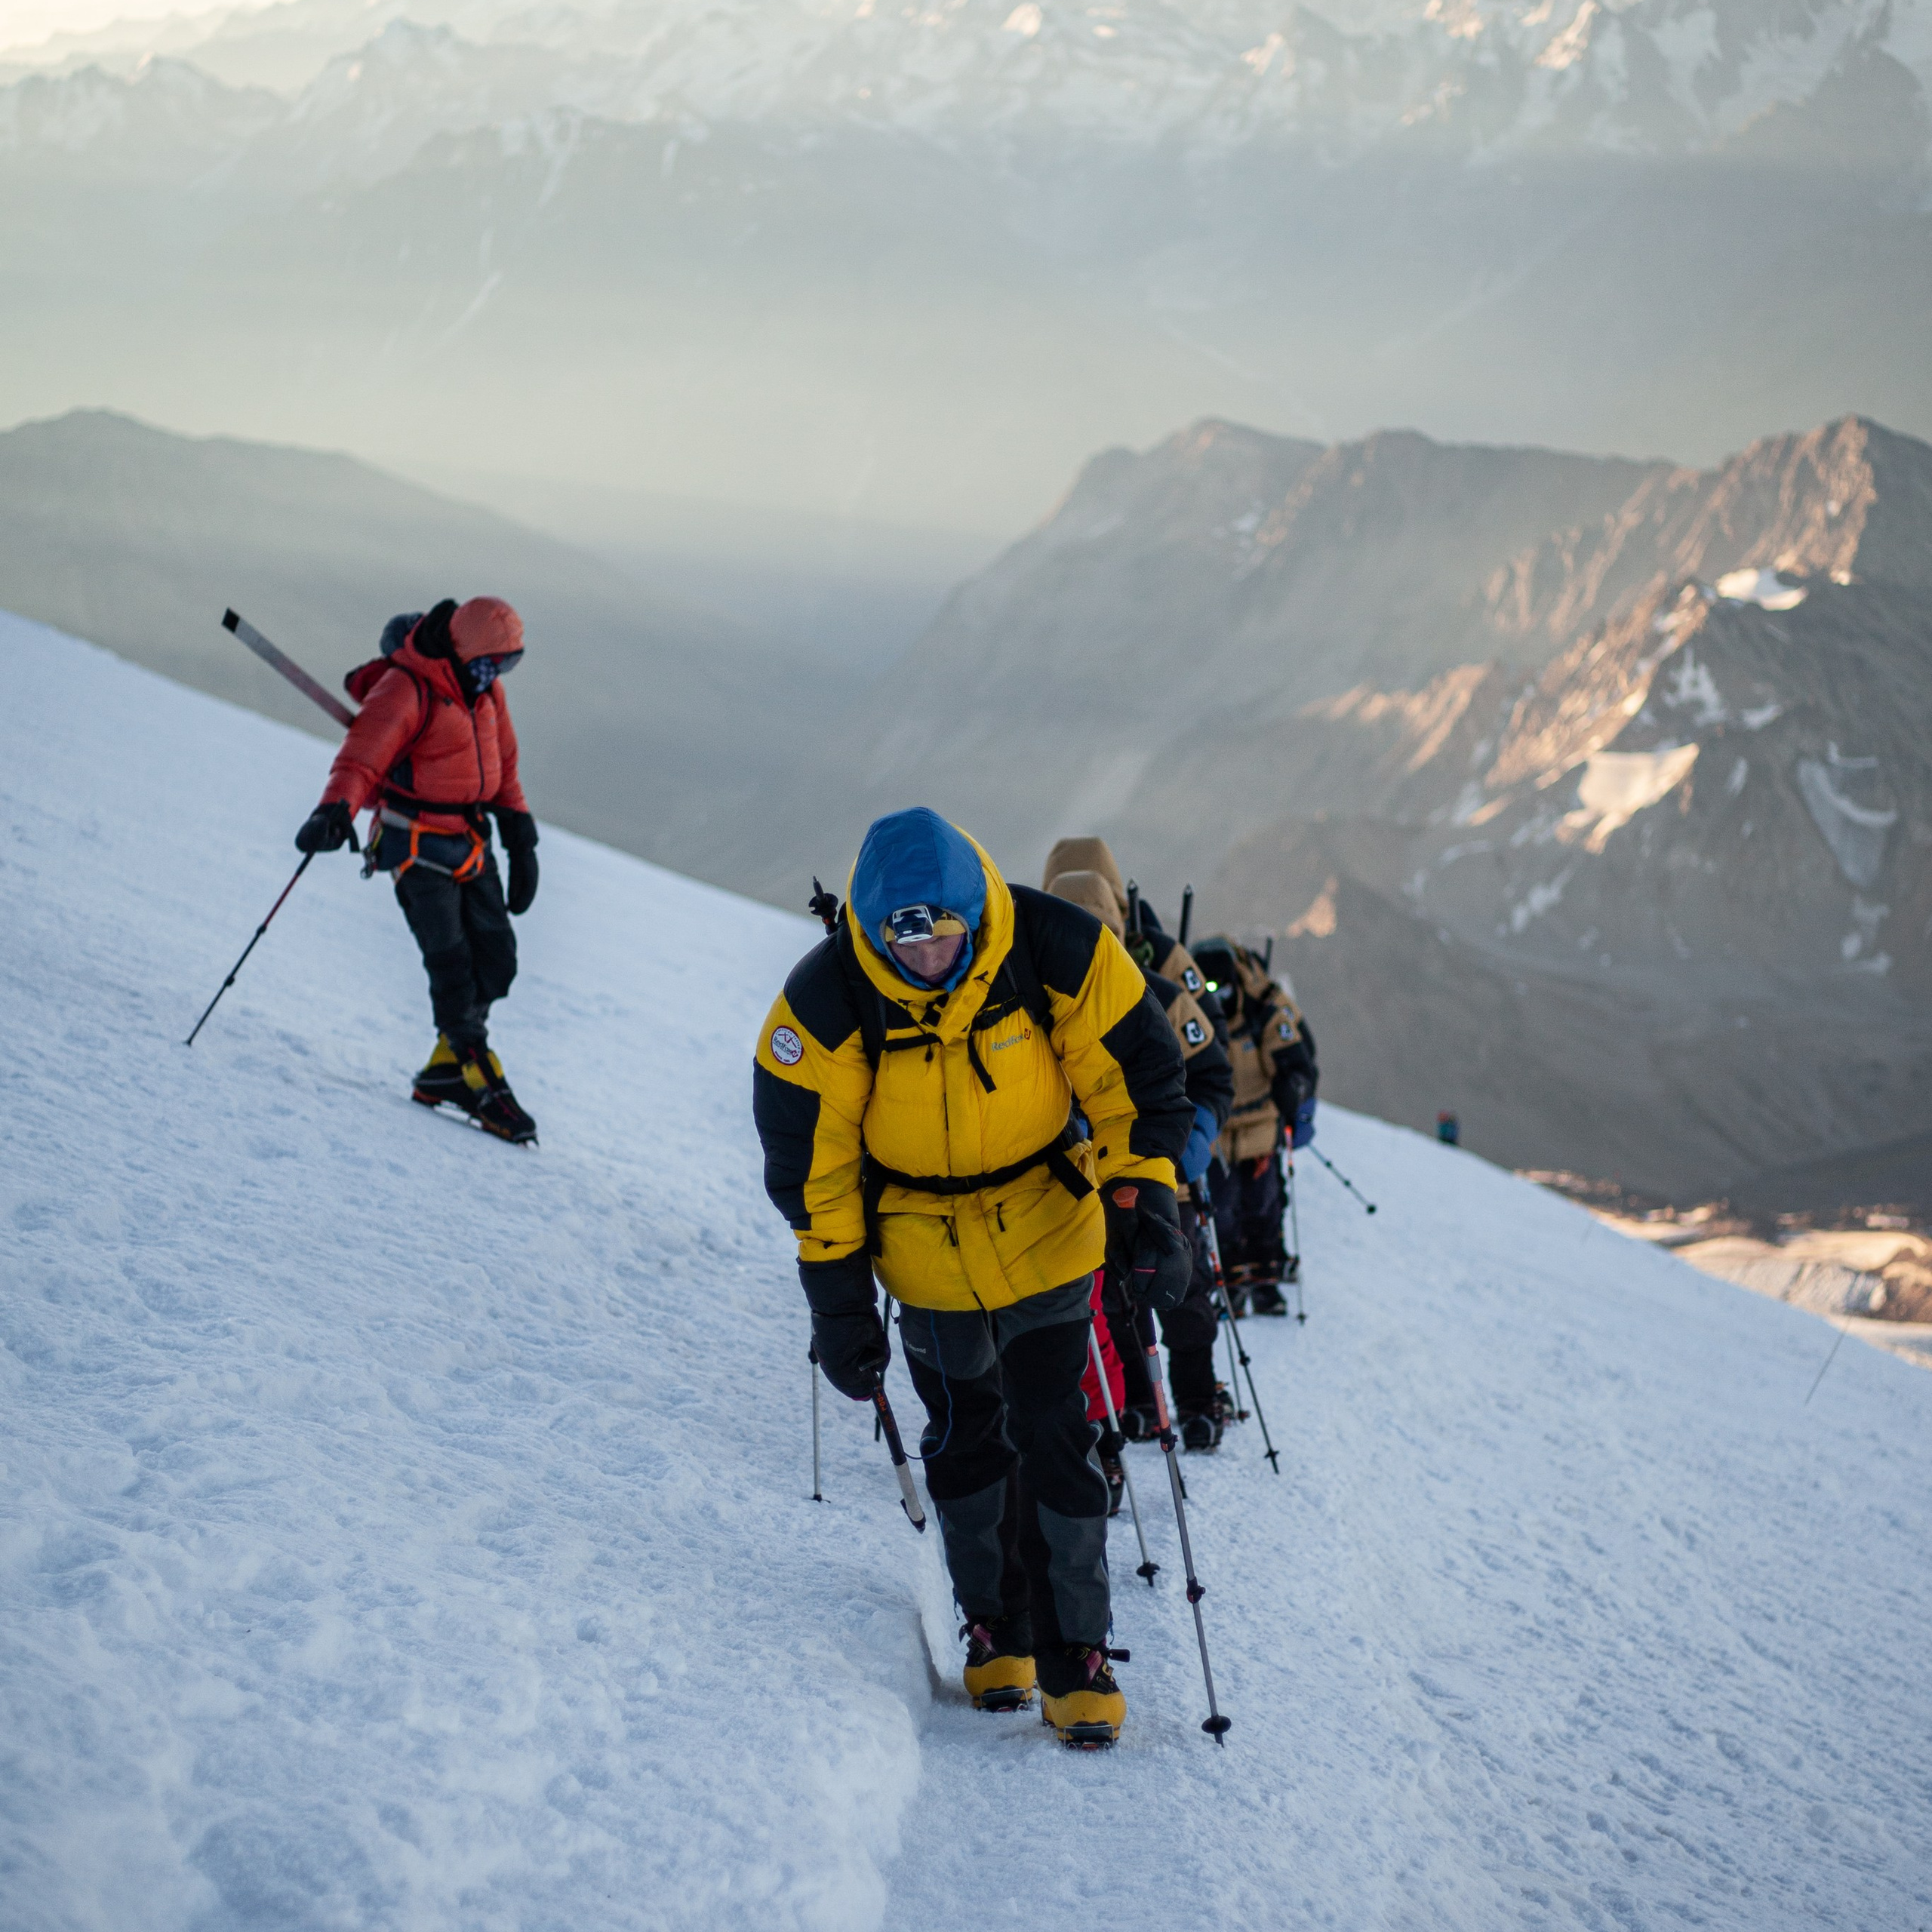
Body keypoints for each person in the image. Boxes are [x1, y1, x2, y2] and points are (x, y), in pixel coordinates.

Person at [752, 808, 1192, 1748]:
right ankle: (997, 1627)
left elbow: (1136, 1079)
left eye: (946, 935)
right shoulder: (829, 999)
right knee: (962, 1439)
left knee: (1056, 1433)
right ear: (872, 931)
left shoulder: (1054, 945)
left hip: (1045, 1229)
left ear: (971, 915)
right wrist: (835, 1304)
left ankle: (1078, 1649)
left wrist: (1143, 1198)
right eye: (904, 942)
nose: (929, 959)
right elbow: (814, 1167)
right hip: (922, 1248)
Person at [293, 598, 540, 1144]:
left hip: (470, 840)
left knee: (496, 958)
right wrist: (334, 812)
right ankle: (478, 1076)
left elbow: (505, 768)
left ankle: (444, 1070)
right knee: (452, 962)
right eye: (495, 662)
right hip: (414, 843)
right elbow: (361, 758)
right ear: (466, 650)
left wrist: (521, 835)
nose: (499, 675)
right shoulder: (407, 688)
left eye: (509, 664)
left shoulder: (484, 693)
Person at [1045, 868, 1235, 1449]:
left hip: (1163, 1178)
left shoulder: (1167, 997)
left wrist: (1194, 1142)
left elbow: (1212, 1076)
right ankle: (1135, 1407)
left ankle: (1197, 1398)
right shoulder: (1034, 1004)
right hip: (1082, 1188)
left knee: (1183, 1290)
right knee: (1117, 1302)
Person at [1189, 937, 1319, 1315]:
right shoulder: (1188, 1012)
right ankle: (1231, 1281)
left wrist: (1292, 1086)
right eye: (1210, 989)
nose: (1219, 997)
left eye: (1224, 988)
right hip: (1217, 1128)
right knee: (1222, 1207)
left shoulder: (1264, 1010)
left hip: (1260, 1125)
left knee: (1263, 1203)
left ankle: (1265, 1283)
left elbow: (1295, 1059)